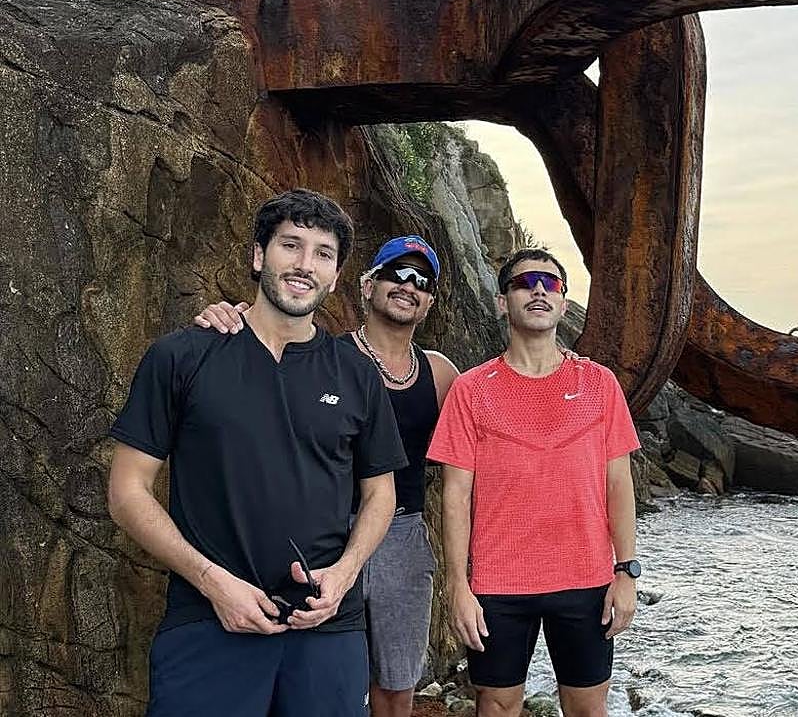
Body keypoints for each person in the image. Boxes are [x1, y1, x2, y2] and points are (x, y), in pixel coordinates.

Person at [107, 189, 406, 717]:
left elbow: (380, 493)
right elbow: (128, 490)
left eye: (322, 253)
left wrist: (344, 575)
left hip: (327, 629)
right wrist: (212, 582)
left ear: (336, 277)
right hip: (207, 621)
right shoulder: (182, 357)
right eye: (291, 245)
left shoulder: (357, 374)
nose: (304, 265)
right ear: (257, 255)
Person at [195, 234, 459, 717]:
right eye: (395, 273)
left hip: (402, 533)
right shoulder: (324, 357)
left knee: (398, 683)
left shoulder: (441, 375)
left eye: (421, 280)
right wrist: (227, 317)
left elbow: (473, 462)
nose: (408, 285)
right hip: (326, 531)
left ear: (430, 302)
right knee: (318, 672)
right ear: (365, 284)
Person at [428, 248, 641, 717]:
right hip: (498, 582)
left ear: (564, 304)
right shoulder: (471, 389)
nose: (539, 289)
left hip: (585, 578)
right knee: (497, 705)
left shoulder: (600, 384)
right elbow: (455, 494)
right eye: (525, 283)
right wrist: (457, 586)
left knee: (587, 708)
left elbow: (619, 484)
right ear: (503, 302)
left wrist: (626, 573)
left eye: (551, 283)